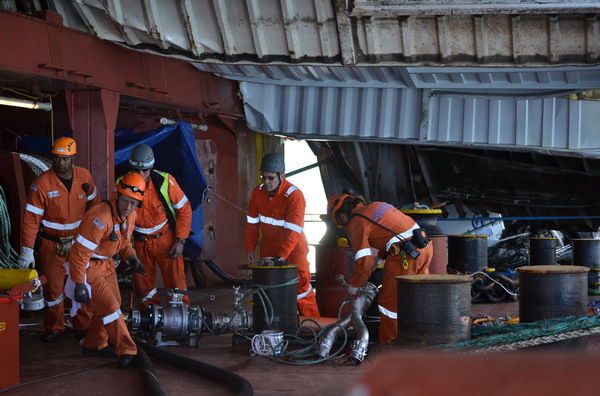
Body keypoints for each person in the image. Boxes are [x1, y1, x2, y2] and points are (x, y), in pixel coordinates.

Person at [18, 137, 97, 342]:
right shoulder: (41, 184)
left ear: (73, 158)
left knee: (82, 285)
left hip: (78, 245)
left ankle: (83, 326)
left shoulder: (85, 178)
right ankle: (54, 328)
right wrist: (27, 250)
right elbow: (31, 220)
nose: (60, 163)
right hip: (51, 245)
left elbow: (97, 210)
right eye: (56, 158)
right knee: (53, 289)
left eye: (64, 159)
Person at [326, 191, 433, 344]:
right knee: (416, 300)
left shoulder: (356, 223)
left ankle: (391, 350)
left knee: (389, 306)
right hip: (424, 249)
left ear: (342, 216)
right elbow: (395, 232)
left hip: (405, 258)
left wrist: (354, 286)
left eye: (341, 223)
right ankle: (420, 343)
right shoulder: (377, 205)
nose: (344, 226)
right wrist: (381, 256)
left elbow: (365, 263)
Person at [69, 173, 147, 369]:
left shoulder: (130, 216)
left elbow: (124, 242)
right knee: (111, 307)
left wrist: (132, 257)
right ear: (117, 196)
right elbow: (79, 254)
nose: (128, 207)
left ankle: (94, 345)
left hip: (107, 265)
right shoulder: (99, 218)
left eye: (133, 203)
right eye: (126, 201)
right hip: (89, 267)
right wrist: (79, 283)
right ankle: (127, 350)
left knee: (113, 305)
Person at [245, 152, 320, 317]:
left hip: (293, 250)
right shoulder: (257, 193)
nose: (266, 182)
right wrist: (250, 248)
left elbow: (293, 232)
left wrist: (280, 257)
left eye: (270, 178)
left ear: (282, 175)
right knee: (270, 290)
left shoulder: (294, 195)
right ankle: (276, 330)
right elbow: (251, 224)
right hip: (268, 247)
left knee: (301, 292)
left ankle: (314, 331)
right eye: (263, 177)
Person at [119, 144, 192, 308]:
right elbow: (116, 218)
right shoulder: (122, 184)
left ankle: (181, 320)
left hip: (166, 242)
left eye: (145, 170)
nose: (141, 174)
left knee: (176, 283)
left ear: (151, 167)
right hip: (139, 243)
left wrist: (180, 241)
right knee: (143, 288)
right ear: (131, 167)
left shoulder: (165, 182)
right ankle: (149, 323)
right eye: (136, 170)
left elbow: (185, 209)